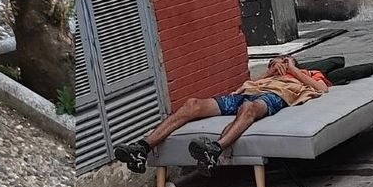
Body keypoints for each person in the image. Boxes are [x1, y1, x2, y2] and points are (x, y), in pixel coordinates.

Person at [114, 55, 329, 172]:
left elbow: (322, 89)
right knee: (192, 104)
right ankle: (141, 148)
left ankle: (214, 149)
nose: (278, 64)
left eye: (282, 60)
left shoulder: (305, 75)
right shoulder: (266, 75)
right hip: (245, 94)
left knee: (249, 109)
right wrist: (269, 71)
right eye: (275, 61)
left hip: (273, 97)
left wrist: (293, 69)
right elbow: (249, 85)